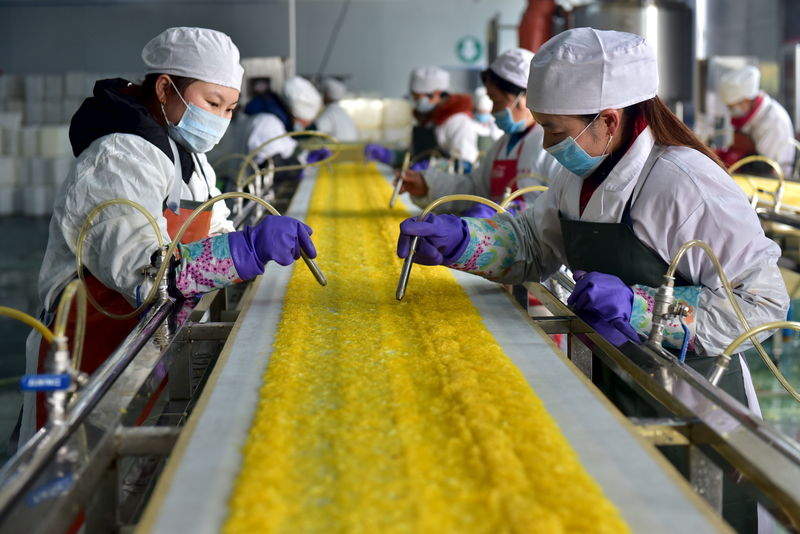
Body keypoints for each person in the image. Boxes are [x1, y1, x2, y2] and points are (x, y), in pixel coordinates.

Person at [397, 28, 788, 533]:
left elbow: (762, 302)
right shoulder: (577, 174)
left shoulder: (682, 183)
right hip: (614, 379)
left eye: (556, 131)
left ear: (608, 119)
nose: (547, 144)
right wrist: (464, 242)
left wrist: (641, 307)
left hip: (694, 405)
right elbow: (537, 247)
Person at [20, 27, 319, 445]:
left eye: (230, 107)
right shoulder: (120, 156)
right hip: (92, 353)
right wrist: (246, 250)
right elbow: (149, 276)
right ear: (165, 88)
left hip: (145, 345)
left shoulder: (192, 158)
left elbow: (218, 227)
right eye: (212, 103)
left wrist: (252, 252)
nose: (220, 118)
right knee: (69, 482)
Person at [394, 48, 561, 218]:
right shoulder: (503, 144)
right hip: (499, 241)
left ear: (525, 97)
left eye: (496, 101)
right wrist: (428, 185)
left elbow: (558, 210)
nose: (493, 111)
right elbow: (474, 188)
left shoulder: (550, 147)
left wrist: (509, 213)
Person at [364, 66, 479, 172]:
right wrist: (390, 155)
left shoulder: (458, 121)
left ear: (436, 94)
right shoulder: (427, 119)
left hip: (449, 191)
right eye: (413, 97)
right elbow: (414, 156)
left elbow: (465, 164)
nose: (415, 103)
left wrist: (432, 167)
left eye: (418, 98)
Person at [717, 66, 796, 177]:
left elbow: (763, 167)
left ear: (746, 100)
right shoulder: (749, 117)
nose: (731, 112)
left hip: (773, 184)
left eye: (732, 107)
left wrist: (732, 159)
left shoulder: (773, 120)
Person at [244, 75, 330, 177]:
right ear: (293, 113)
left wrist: (306, 156)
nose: (305, 127)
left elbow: (285, 153)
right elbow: (271, 169)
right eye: (304, 122)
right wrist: (303, 164)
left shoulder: (281, 124)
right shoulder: (267, 123)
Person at [315, 77, 358, 142]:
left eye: (324, 95)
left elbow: (315, 132)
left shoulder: (329, 113)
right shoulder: (344, 113)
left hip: (337, 151)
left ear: (327, 96)